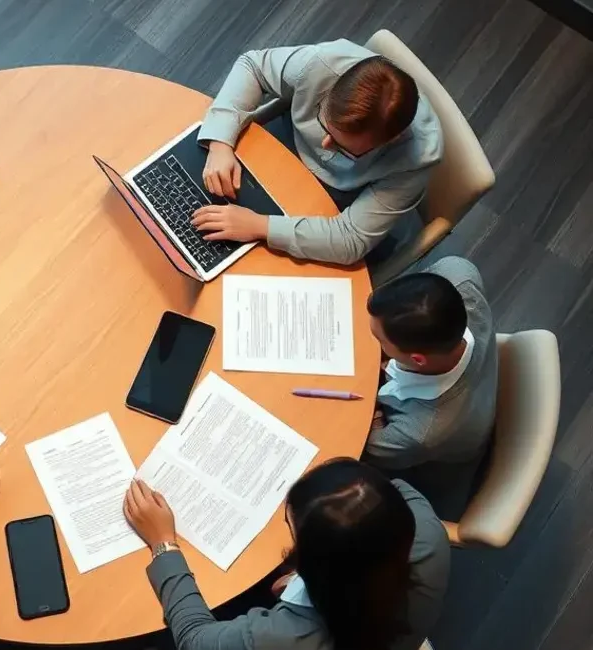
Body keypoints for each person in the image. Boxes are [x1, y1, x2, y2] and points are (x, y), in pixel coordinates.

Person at [124, 458, 450, 650]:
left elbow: (195, 639)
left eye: (292, 529)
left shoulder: (283, 636)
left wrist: (163, 542)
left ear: (317, 568)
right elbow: (392, 490)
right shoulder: (428, 531)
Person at [190, 41, 442, 265]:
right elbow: (253, 66)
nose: (324, 144)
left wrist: (259, 226)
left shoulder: (417, 157)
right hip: (281, 145)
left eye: (344, 149)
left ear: (390, 140)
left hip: (338, 200)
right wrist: (221, 143)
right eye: (325, 125)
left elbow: (350, 239)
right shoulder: (323, 63)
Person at [363, 256, 498, 514]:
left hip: (425, 475)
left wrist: (376, 413)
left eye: (378, 339)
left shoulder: (421, 432)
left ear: (416, 359)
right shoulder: (458, 274)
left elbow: (363, 445)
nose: (375, 342)